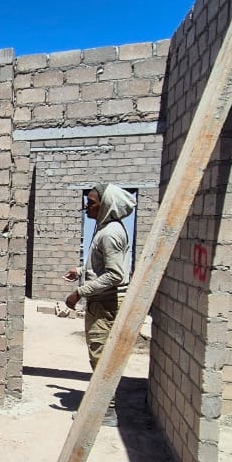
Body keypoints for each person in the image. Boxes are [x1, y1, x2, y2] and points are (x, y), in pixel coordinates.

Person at [64, 182, 135, 427]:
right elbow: (101, 266)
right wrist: (80, 270)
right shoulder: (106, 230)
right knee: (98, 354)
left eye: (91, 203)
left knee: (101, 356)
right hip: (102, 302)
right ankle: (102, 405)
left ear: (106, 205)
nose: (87, 207)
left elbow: (115, 275)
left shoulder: (110, 234)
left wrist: (79, 292)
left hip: (106, 304)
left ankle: (106, 411)